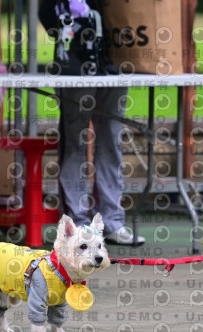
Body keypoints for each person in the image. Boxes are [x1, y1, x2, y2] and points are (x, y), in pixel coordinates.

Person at [39, 0, 144, 245]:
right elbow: (47, 14)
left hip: (116, 65)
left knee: (110, 141)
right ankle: (76, 224)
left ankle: (111, 222)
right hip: (74, 66)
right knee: (75, 142)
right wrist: (72, 22)